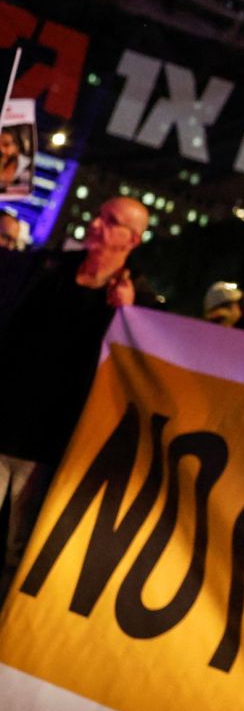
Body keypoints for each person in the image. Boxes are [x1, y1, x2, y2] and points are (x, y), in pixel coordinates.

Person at [0, 195, 147, 580]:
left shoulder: (134, 301)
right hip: (5, 422)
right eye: (99, 216)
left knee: (20, 552)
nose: (96, 224)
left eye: (111, 221)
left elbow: (137, 372)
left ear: (132, 240)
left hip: (50, 448)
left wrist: (128, 316)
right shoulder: (50, 269)